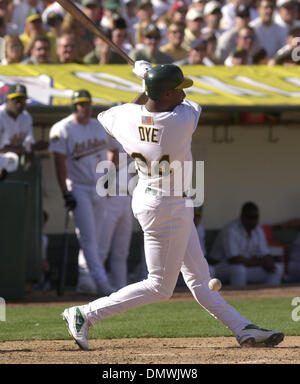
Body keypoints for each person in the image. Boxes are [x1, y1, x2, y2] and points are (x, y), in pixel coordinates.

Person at [61, 63, 284, 350]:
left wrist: (144, 83)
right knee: (159, 286)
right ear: (166, 94)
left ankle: (243, 328)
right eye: (177, 90)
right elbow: (191, 104)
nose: (182, 94)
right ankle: (84, 314)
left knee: (200, 279)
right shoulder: (180, 120)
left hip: (155, 197)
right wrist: (147, 78)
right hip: (165, 205)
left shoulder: (128, 116)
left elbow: (112, 117)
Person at [49, 89, 116, 296]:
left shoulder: (98, 126)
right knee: (88, 237)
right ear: (73, 106)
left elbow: (114, 149)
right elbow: (59, 164)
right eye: (80, 104)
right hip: (78, 187)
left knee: (95, 238)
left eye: (87, 103)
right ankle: (102, 282)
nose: (84, 108)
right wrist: (65, 192)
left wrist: (108, 179)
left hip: (98, 185)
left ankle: (85, 281)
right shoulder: (62, 128)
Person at [210, 202, 284, 287]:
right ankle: (239, 298)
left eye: (255, 217)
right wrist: (260, 263)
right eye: (250, 217)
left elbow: (265, 253)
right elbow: (234, 259)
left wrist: (269, 262)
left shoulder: (258, 230)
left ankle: (267, 297)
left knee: (277, 269)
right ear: (242, 216)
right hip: (220, 267)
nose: (253, 220)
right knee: (239, 269)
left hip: (247, 267)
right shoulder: (231, 230)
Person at [0, 84, 48, 156]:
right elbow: (2, 149)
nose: (19, 104)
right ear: (7, 100)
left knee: (34, 159)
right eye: (16, 100)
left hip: (15, 159)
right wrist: (27, 148)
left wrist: (34, 147)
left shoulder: (26, 117)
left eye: (22, 101)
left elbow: (28, 144)